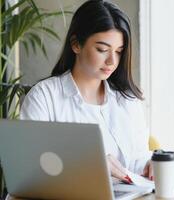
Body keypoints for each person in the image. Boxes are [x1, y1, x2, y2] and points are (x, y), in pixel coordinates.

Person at [20, 0, 153, 183]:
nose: (112, 61)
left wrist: (151, 163)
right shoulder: (44, 97)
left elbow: (137, 160)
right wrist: (90, 164)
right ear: (76, 44)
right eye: (102, 50)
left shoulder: (128, 100)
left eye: (119, 51)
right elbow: (30, 169)